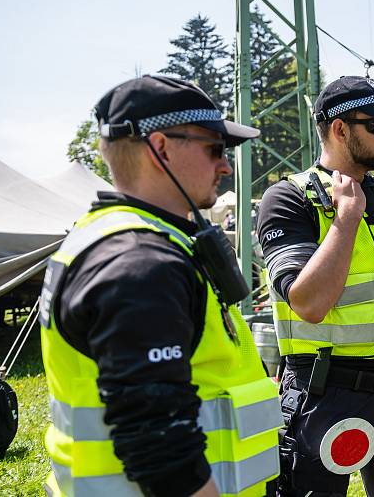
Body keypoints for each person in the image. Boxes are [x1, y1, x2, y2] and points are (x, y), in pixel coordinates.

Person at [38, 75, 282, 497]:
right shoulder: (141, 263)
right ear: (161, 148)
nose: (225, 165)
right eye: (215, 149)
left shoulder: (116, 236)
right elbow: (161, 446)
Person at [258, 76, 374, 496]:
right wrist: (345, 219)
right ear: (340, 129)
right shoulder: (291, 198)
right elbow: (308, 302)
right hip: (328, 393)